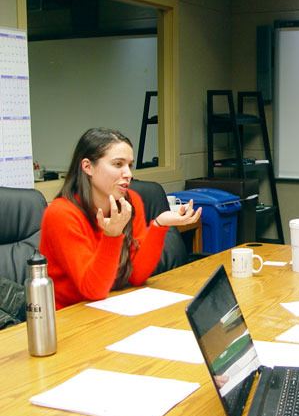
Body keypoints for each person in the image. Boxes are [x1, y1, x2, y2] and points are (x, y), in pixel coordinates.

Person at [40, 128, 201, 309]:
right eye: (118, 164)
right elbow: (92, 290)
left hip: (112, 306)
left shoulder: (130, 202)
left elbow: (137, 275)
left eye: (129, 165)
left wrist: (159, 224)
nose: (128, 174)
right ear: (87, 167)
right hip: (71, 317)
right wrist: (112, 236)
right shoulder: (61, 213)